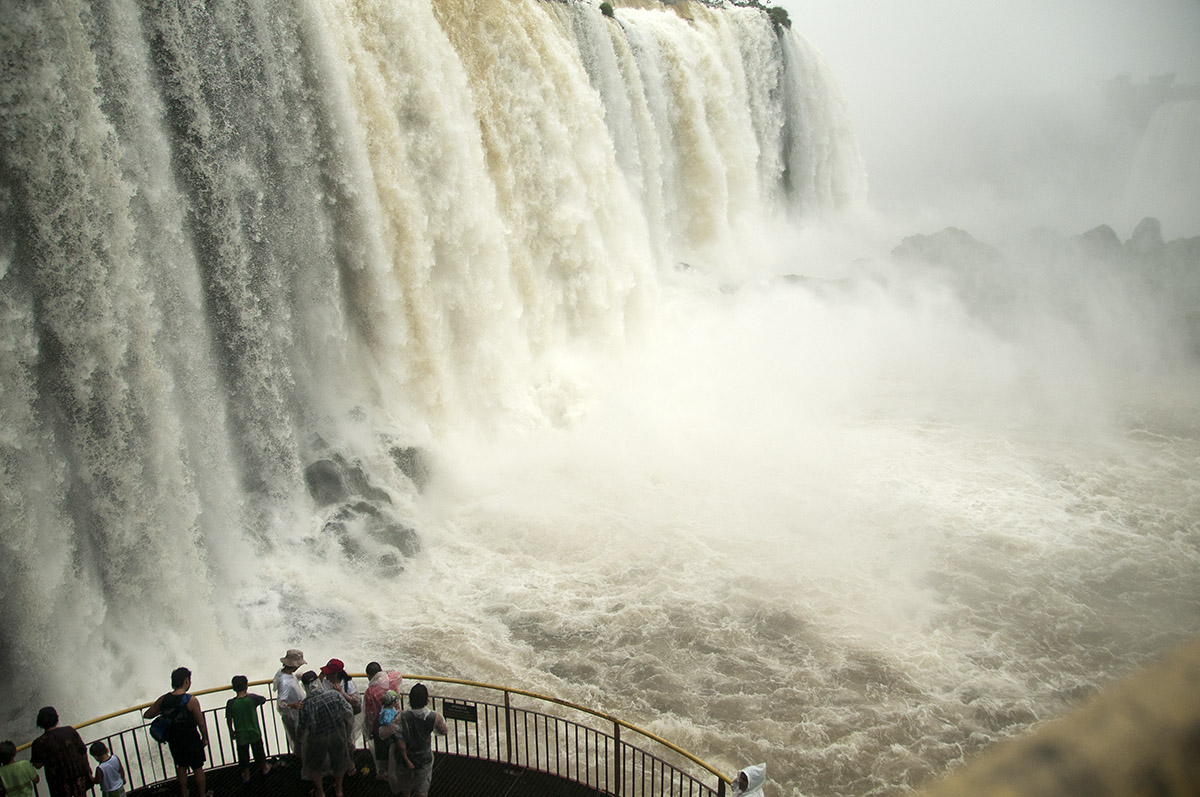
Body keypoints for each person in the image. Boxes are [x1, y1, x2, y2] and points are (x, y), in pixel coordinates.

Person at [142, 667, 209, 797]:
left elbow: (147, 714)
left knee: (181, 767)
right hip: (191, 738)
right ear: (186, 681)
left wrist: (165, 712)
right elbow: (200, 722)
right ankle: (202, 794)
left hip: (174, 739)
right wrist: (205, 738)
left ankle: (184, 794)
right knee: (197, 768)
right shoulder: (191, 700)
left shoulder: (164, 699)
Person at [382, 683, 447, 797]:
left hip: (405, 758)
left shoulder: (401, 716)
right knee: (422, 789)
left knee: (405, 786)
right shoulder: (435, 717)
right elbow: (444, 731)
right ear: (426, 699)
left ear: (410, 699)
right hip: (424, 758)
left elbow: (383, 733)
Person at [297, 670, 354, 797]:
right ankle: (339, 790)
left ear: (305, 686)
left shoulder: (305, 704)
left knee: (315, 765)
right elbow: (348, 712)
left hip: (317, 738)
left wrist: (299, 739)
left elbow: (302, 727)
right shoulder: (334, 695)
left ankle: (320, 792)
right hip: (337, 733)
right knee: (338, 762)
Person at [28, 707, 90, 797]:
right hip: (78, 778)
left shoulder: (38, 743)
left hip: (58, 783)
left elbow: (38, 765)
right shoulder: (69, 731)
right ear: (56, 718)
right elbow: (82, 750)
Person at [225, 675, 271, 783]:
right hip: (254, 732)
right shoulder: (252, 698)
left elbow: (229, 719)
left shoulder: (231, 703)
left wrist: (231, 731)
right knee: (259, 752)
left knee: (243, 756)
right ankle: (264, 768)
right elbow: (263, 699)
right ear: (246, 686)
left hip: (241, 734)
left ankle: (246, 774)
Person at [362, 662, 403, 779]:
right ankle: (395, 771)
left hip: (379, 727)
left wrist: (368, 730)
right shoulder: (391, 681)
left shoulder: (370, 692)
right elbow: (397, 675)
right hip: (395, 722)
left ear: (369, 675)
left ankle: (384, 773)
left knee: (381, 752)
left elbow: (370, 714)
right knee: (394, 747)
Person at [320, 658, 360, 777]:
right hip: (330, 719)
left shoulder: (347, 683)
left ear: (335, 674)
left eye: (328, 673)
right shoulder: (324, 682)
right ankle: (336, 766)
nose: (326, 675)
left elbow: (356, 702)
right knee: (332, 743)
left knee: (347, 741)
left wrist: (342, 693)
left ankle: (350, 763)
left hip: (345, 719)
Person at [274, 649, 307, 758]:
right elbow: (281, 704)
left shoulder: (283, 672)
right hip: (293, 717)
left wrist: (297, 677)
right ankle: (301, 762)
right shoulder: (285, 682)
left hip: (296, 716)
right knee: (299, 741)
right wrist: (293, 705)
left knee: (299, 740)